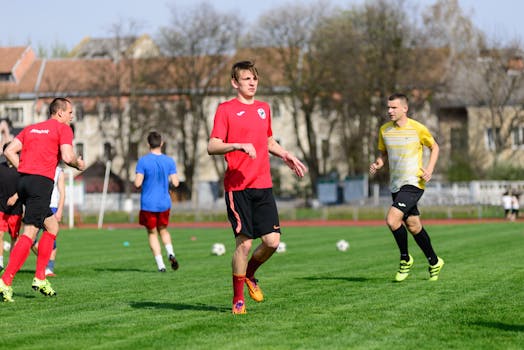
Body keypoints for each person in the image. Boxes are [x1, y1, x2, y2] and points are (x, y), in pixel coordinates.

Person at [207, 60, 307, 314]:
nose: (252, 83)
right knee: (245, 243)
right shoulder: (225, 110)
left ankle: (250, 274)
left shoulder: (264, 108)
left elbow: (268, 139)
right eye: (246, 79)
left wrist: (286, 155)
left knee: (273, 242)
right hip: (238, 187)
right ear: (235, 83)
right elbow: (213, 145)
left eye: (254, 79)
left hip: (263, 184)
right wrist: (237, 145)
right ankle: (238, 299)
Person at [0, 97, 85, 302]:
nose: (72, 116)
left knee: (52, 227)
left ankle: (40, 277)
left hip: (25, 182)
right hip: (40, 185)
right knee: (29, 233)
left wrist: (25, 169)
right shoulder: (63, 129)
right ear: (60, 113)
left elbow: (8, 150)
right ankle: (5, 280)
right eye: (70, 112)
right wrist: (78, 164)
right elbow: (66, 156)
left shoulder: (31, 128)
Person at [369, 93, 444, 282]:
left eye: (393, 107)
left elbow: (434, 147)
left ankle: (405, 259)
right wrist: (379, 163)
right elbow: (383, 152)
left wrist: (429, 169)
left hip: (414, 183)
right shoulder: (384, 130)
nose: (389, 111)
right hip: (396, 185)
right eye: (388, 107)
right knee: (413, 225)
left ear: (405, 108)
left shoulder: (417, 128)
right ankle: (434, 261)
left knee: (392, 220)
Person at [134, 131, 180, 273]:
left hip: (148, 203)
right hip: (164, 203)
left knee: (152, 233)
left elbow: (137, 183)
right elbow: (176, 183)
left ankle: (161, 265)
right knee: (163, 230)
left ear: (148, 144)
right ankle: (170, 253)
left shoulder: (143, 161)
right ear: (161, 143)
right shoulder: (169, 161)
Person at [32, 165, 65, 277]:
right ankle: (44, 261)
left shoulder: (59, 171)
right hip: (37, 206)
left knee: (51, 238)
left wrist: (59, 210)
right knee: (31, 239)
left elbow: (62, 192)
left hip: (52, 207)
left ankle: (49, 268)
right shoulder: (38, 166)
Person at [0, 142, 22, 271]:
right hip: (1, 208)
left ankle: (12, 265)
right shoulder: (0, 168)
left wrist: (16, 196)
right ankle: (0, 262)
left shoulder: (21, 169)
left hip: (16, 210)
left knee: (14, 237)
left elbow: (26, 187)